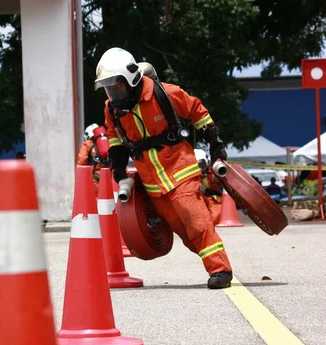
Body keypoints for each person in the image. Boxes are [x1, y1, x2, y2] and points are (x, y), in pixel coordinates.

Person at [95, 47, 233, 289]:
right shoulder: (112, 109)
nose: (112, 92)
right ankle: (211, 257)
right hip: (153, 183)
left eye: (116, 85)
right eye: (107, 87)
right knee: (186, 231)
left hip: (180, 170)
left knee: (196, 220)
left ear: (131, 79)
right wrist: (118, 170)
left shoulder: (164, 94)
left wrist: (215, 145)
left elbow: (197, 111)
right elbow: (115, 139)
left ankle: (221, 269)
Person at [195, 149, 223, 225]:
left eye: (201, 164)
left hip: (214, 199)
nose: (200, 168)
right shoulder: (192, 176)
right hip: (200, 201)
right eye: (197, 165)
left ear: (206, 162)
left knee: (214, 218)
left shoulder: (213, 170)